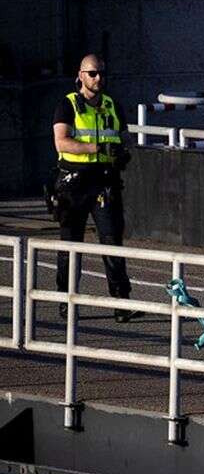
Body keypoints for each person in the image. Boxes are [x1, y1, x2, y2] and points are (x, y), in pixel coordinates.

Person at [49, 53, 141, 323]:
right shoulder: (68, 105)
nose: (98, 78)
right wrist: (97, 148)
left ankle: (121, 303)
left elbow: (125, 138)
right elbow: (61, 143)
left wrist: (124, 151)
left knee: (112, 242)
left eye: (101, 73)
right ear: (80, 75)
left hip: (105, 181)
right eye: (92, 73)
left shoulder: (112, 104)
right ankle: (66, 302)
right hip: (73, 183)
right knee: (70, 244)